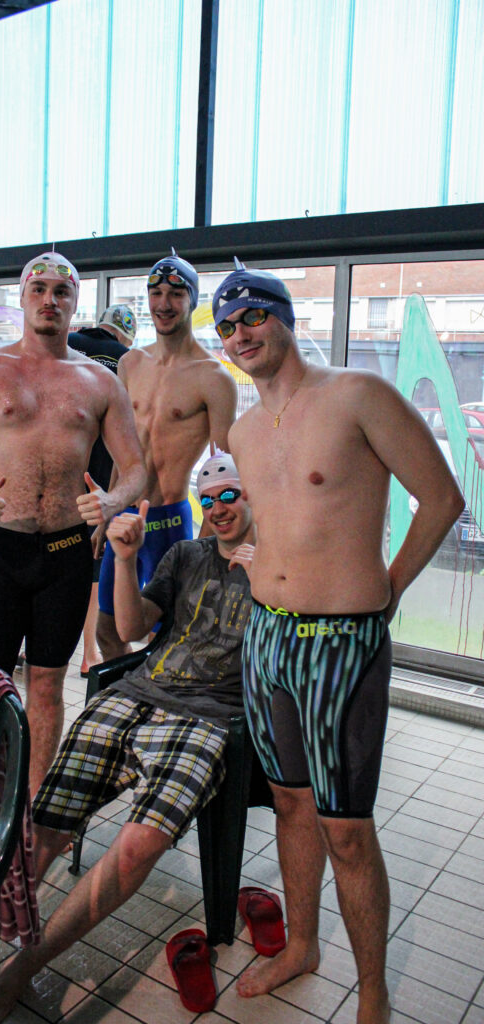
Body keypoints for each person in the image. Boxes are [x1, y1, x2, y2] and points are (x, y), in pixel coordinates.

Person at [211, 262, 465, 1024]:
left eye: (252, 316)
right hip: (269, 641)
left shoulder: (356, 395)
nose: (240, 334)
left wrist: (387, 589)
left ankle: (375, 995)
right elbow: (280, 515)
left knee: (346, 830)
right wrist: (241, 551)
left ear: (284, 316)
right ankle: (301, 946)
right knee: (289, 806)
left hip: (342, 643)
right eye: (226, 326)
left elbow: (443, 499)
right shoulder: (243, 429)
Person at [0, 451, 255, 1024]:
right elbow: (130, 630)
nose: (219, 509)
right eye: (209, 500)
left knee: (136, 846)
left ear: (257, 495)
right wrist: (124, 560)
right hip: (136, 694)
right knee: (44, 827)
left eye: (231, 495)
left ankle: (22, 970)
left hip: (208, 717)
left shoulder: (284, 566)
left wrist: (274, 579)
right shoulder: (185, 554)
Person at [0, 252, 146, 795]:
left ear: (74, 304)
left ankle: (33, 808)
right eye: (39, 289)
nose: (50, 300)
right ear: (22, 298)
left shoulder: (100, 381)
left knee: (46, 686)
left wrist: (113, 500)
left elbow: (137, 469)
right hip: (1, 550)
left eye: (61, 292)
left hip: (67, 554)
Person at [96, 249, 238, 661]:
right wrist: (106, 511)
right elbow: (124, 453)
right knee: (109, 628)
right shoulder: (129, 363)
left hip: (171, 523)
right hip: (123, 518)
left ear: (192, 301)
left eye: (176, 293)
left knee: (169, 635)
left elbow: (223, 471)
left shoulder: (214, 379)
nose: (164, 303)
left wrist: (208, 546)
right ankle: (124, 703)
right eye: (156, 292)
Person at [68, 304, 137, 675]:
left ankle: (30, 649)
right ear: (125, 336)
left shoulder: (68, 340)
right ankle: (88, 654)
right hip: (101, 472)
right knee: (94, 565)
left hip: (63, 466)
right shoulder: (128, 359)